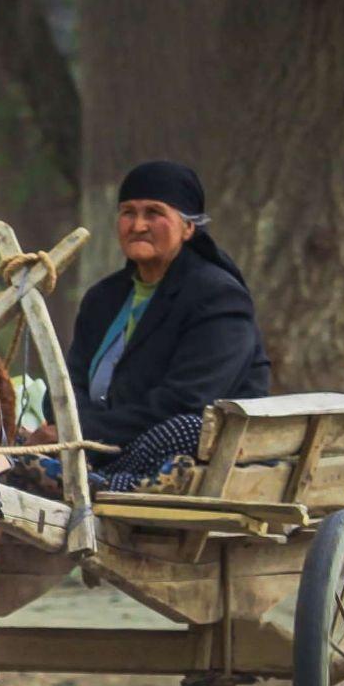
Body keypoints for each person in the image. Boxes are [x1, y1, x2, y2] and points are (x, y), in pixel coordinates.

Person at [59, 160, 272, 490]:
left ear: (188, 228)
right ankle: (86, 473)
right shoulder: (102, 298)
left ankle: (101, 482)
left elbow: (185, 401)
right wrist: (65, 425)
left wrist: (82, 434)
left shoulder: (218, 297)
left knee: (183, 429)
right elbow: (68, 379)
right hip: (99, 442)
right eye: (128, 212)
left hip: (188, 453)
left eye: (154, 213)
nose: (138, 225)